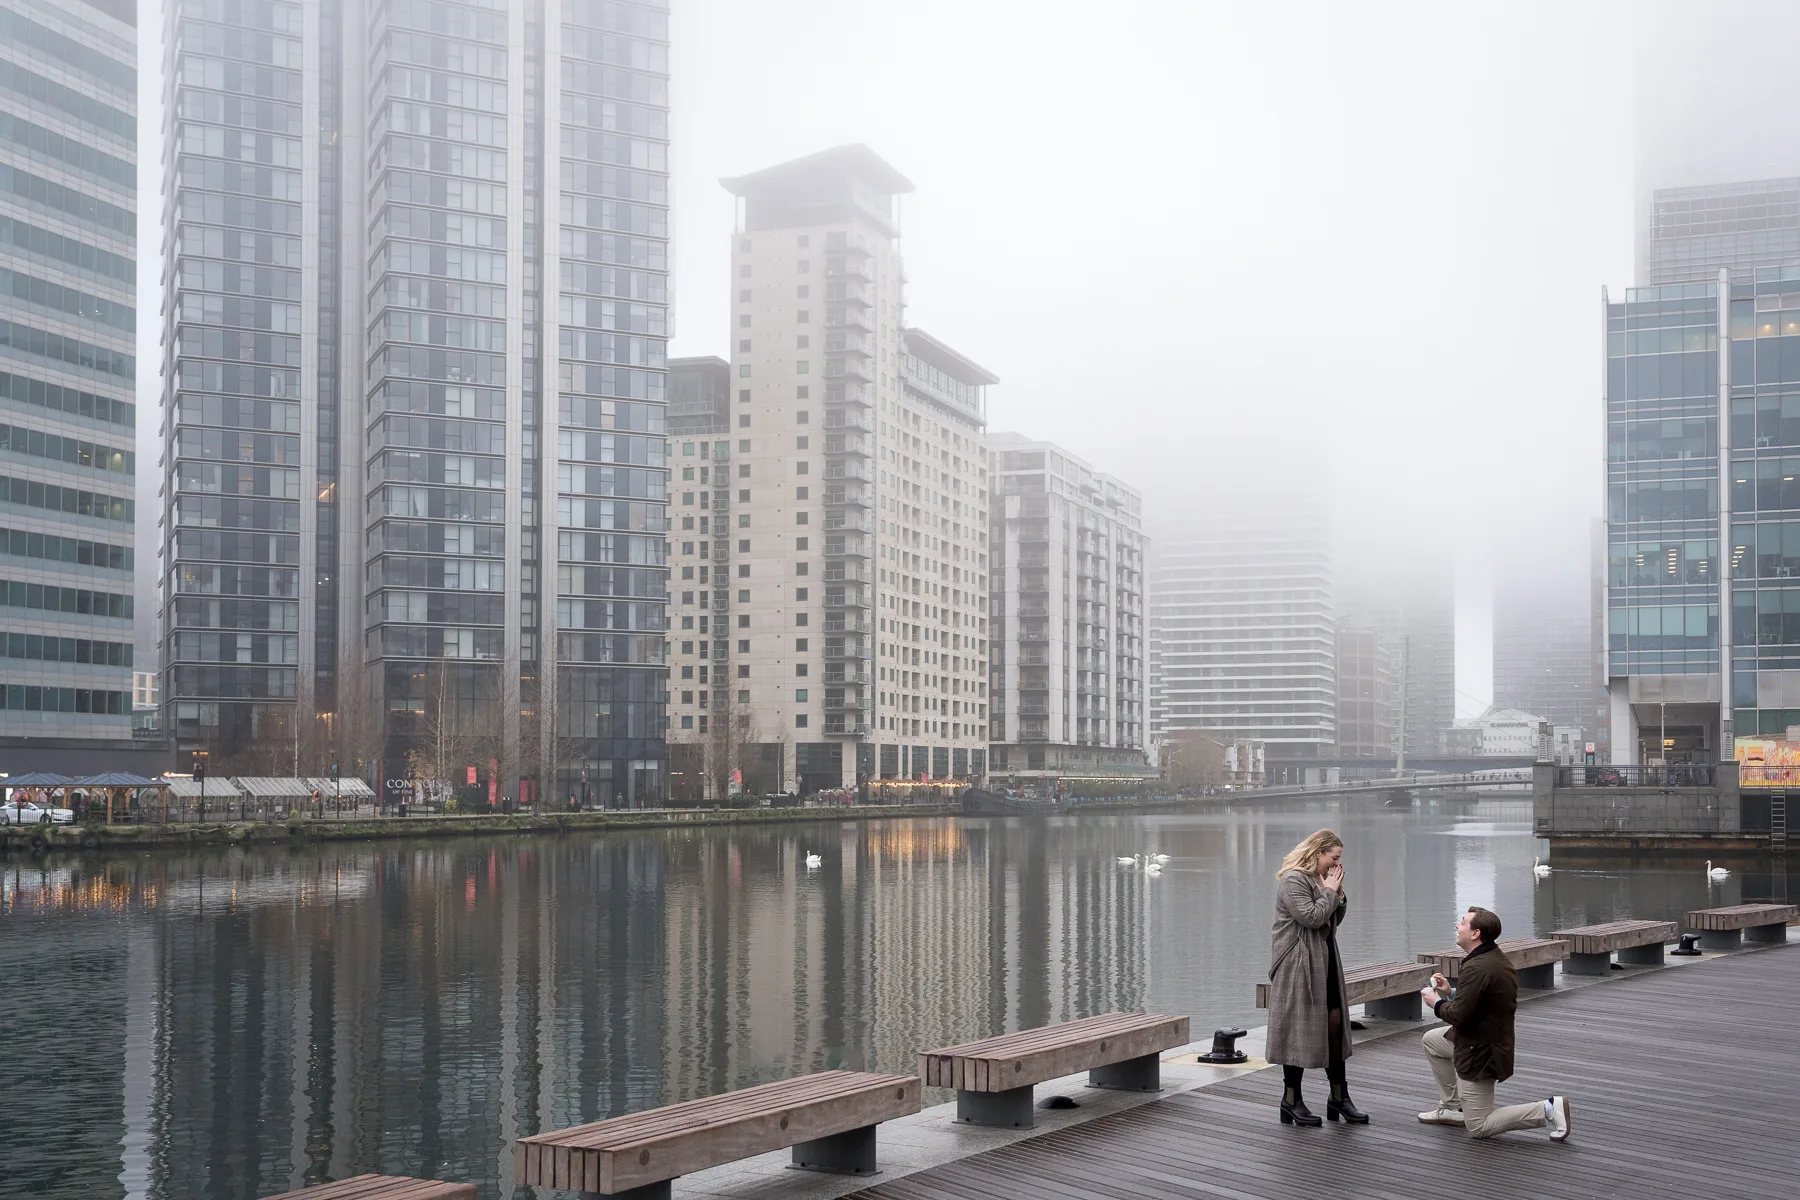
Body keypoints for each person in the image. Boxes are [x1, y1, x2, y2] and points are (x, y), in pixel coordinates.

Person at [1418, 907, 1573, 1141]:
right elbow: (1478, 1001)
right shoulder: (1489, 959)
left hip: (1480, 1052)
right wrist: (1450, 993)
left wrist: (1436, 1003)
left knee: (1479, 1126)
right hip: (1483, 1039)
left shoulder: (1479, 967)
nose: (1457, 926)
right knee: (1432, 1041)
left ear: (1475, 933)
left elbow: (1459, 1015)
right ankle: (1453, 1108)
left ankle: (1548, 1109)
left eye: (1463, 922)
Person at [1266, 829, 1367, 1127]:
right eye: (1333, 858)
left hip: (1324, 959)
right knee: (1296, 1031)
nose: (1336, 865)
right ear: (1318, 853)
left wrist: (1338, 895)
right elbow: (1311, 917)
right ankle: (1291, 1100)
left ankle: (1339, 1096)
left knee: (1335, 1026)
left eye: (1339, 860)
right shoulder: (1293, 879)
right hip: (1298, 965)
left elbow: (1331, 918)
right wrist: (1330, 892)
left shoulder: (1321, 880)